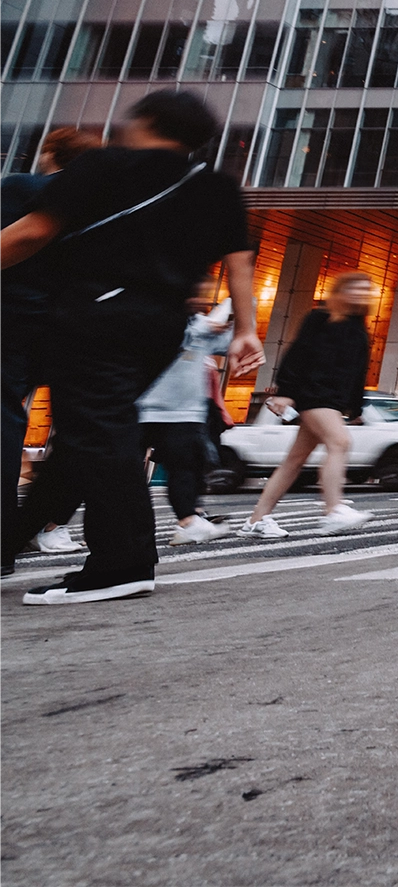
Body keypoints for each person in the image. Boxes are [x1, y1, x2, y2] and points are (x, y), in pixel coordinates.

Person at [0, 90, 261, 604]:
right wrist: (247, 330)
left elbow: (31, 233)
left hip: (96, 311)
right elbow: (239, 265)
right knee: (92, 433)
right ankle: (18, 537)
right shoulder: (215, 186)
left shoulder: (105, 166)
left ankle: (121, 564)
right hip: (163, 325)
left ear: (146, 121)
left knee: (99, 433)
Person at [0, 126, 100, 576]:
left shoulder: (25, 187)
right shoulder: (100, 205)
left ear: (51, 154)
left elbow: (15, 241)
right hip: (61, 329)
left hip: (9, 315)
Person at [241, 273, 377, 539]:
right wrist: (286, 392)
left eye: (365, 290)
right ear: (339, 291)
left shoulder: (359, 329)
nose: (360, 293)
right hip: (313, 395)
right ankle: (333, 509)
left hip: (332, 402)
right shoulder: (319, 318)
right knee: (340, 442)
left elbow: (359, 374)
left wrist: (356, 409)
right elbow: (297, 354)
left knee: (294, 460)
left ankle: (256, 520)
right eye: (354, 288)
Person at [138, 279, 234, 544]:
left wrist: (237, 312)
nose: (200, 300)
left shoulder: (201, 325)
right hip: (140, 406)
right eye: (194, 294)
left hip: (183, 412)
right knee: (117, 468)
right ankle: (57, 525)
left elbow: (229, 344)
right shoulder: (156, 317)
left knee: (185, 469)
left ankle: (189, 521)